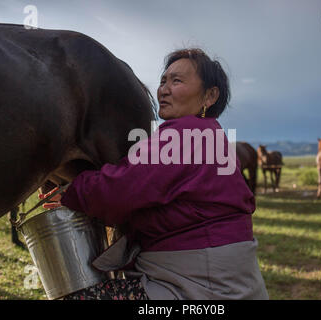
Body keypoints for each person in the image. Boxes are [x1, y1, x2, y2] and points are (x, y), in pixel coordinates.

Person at [49, 48, 268, 300]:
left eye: (177, 81)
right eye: (163, 81)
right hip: (228, 282)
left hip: (198, 287)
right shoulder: (211, 134)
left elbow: (121, 189)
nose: (164, 89)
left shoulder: (185, 134)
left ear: (210, 96)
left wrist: (74, 190)